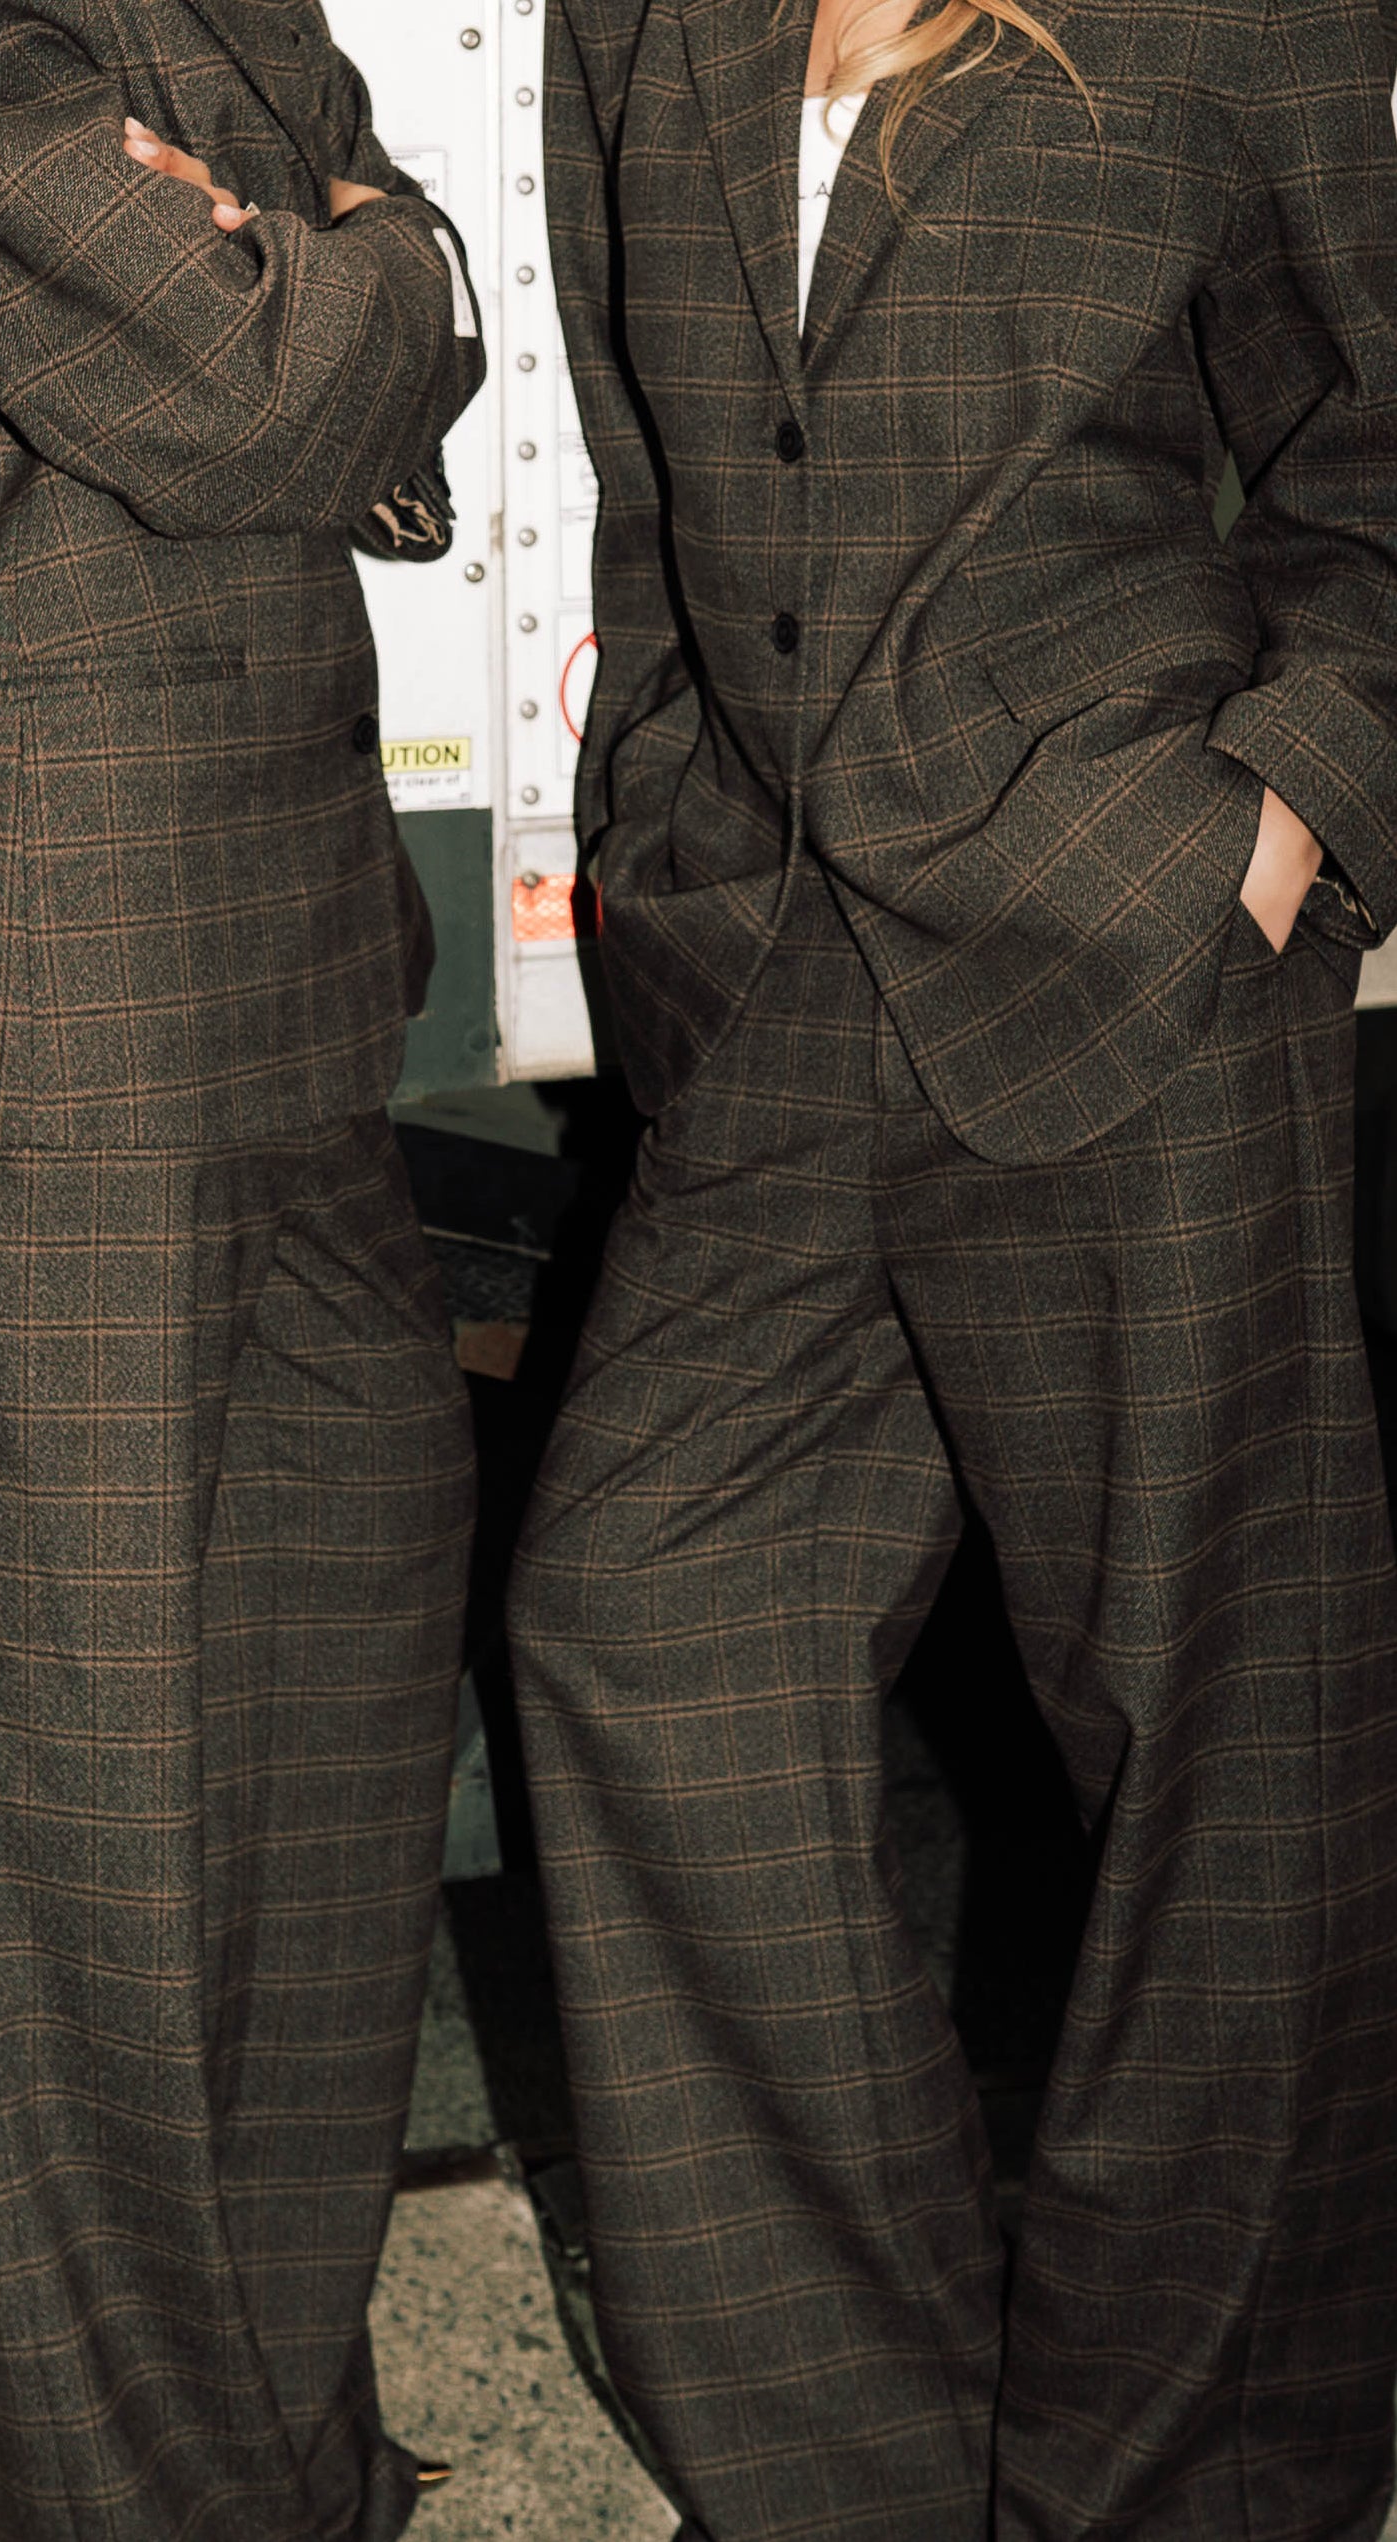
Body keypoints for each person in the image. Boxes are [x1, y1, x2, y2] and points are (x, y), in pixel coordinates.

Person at [510, 0, 1397, 2534]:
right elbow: (653, 474)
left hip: (1127, 946)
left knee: (1215, 1765)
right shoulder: (645, 18)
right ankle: (850, 2471)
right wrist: (673, 861)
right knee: (637, 1622)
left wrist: (1277, 820)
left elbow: (1377, 457)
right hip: (780, 975)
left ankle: (1190, 2486)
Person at [0, 2, 485, 2536]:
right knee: (65, 1879)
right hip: (49, 994)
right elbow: (271, 381)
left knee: (322, 1785)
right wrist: (328, 267)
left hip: (281, 954)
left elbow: (396, 301)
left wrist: (327, 263)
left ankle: (270, 2463)